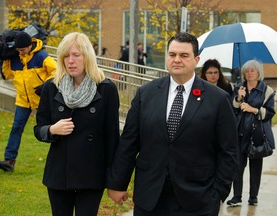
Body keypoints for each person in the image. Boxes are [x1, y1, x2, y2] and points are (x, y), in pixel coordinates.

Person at [107, 32, 238, 215]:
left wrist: (218, 194)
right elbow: (129, 142)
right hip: (150, 197)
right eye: (172, 54)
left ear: (196, 59)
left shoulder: (217, 99)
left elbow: (229, 151)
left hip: (197, 199)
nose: (177, 60)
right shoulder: (146, 94)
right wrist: (117, 183)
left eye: (184, 55)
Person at [33, 32, 120, 216]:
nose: (70, 61)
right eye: (65, 56)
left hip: (91, 175)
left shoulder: (106, 89)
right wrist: (52, 130)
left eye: (76, 55)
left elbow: (112, 138)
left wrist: (115, 181)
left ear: (87, 57)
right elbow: (38, 128)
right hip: (58, 175)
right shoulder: (51, 87)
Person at [0, 31, 56, 172]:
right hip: (22, 100)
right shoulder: (15, 58)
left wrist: (45, 86)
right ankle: (9, 161)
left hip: (42, 100)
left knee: (55, 129)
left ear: (29, 46)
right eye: (17, 50)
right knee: (16, 128)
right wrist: (4, 57)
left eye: (22, 50)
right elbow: (6, 75)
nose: (20, 53)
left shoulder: (42, 57)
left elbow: (56, 72)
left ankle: (62, 160)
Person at [227, 59, 275, 207]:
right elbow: (232, 109)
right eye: (246, 71)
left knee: (256, 167)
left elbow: (270, 113)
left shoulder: (267, 90)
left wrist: (253, 109)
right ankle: (237, 197)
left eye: (252, 70)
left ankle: (253, 197)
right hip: (240, 133)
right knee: (238, 167)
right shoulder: (239, 88)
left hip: (257, 134)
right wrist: (239, 97)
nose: (249, 73)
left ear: (258, 73)